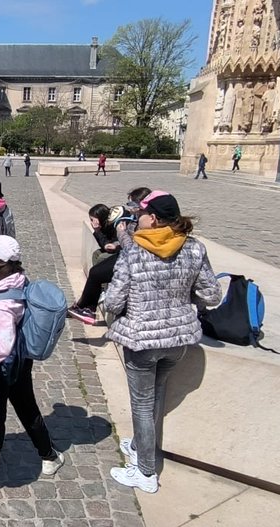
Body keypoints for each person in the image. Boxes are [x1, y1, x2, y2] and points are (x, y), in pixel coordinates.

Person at [104, 192, 221, 494]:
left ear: (152, 218)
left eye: (140, 214)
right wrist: (182, 301)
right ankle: (141, 446)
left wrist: (110, 310)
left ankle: (144, 472)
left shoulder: (134, 251)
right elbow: (212, 295)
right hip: (179, 340)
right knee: (155, 397)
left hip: (142, 340)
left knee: (142, 405)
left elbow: (114, 299)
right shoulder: (194, 248)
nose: (135, 218)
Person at [0, 235, 65, 491]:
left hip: (0, 367)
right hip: (21, 361)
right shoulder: (17, 279)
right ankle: (49, 455)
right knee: (27, 408)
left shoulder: (1, 301)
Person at [68, 204, 125, 325]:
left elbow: (123, 242)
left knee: (99, 264)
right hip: (119, 252)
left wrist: (116, 245)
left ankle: (86, 306)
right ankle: (88, 303)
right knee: (97, 256)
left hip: (121, 254)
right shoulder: (108, 225)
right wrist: (98, 231)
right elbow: (104, 242)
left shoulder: (119, 223)